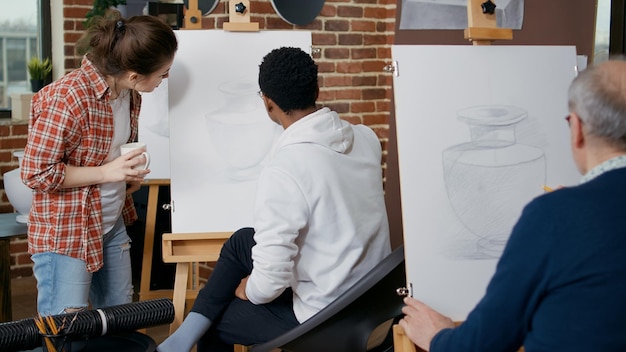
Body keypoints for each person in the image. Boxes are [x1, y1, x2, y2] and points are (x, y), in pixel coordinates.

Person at [158, 47, 391, 351]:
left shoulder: (286, 168)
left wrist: (249, 291)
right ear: (317, 90)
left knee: (217, 323)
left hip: (328, 316)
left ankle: (186, 337)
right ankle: (181, 338)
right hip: (374, 300)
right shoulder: (366, 139)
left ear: (268, 104)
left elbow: (270, 282)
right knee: (243, 240)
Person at [398, 59, 626, 351]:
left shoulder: (553, 216)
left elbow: (482, 345)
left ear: (577, 128)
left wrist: (438, 337)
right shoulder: (561, 215)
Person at [21, 11, 178, 316]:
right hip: (66, 232)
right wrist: (107, 172)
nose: (165, 79)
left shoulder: (129, 95)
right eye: (162, 73)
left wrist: (123, 178)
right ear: (134, 75)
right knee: (67, 330)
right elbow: (35, 172)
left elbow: (104, 156)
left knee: (118, 322)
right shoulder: (68, 98)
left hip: (110, 223)